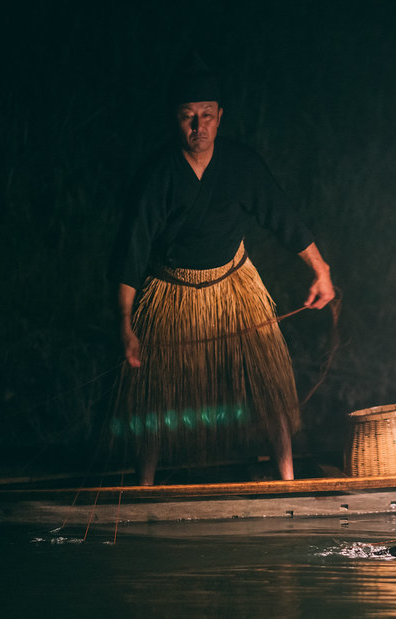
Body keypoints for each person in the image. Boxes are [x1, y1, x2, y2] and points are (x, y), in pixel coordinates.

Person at [108, 60, 335, 484]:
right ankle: (144, 487)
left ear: (220, 117)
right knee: (153, 394)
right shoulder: (157, 174)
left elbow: (282, 217)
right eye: (188, 116)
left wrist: (320, 269)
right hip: (170, 290)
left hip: (235, 284)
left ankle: (285, 481)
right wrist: (125, 321)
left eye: (207, 115)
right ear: (175, 120)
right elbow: (131, 251)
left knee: (270, 386)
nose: (199, 125)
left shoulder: (241, 164)